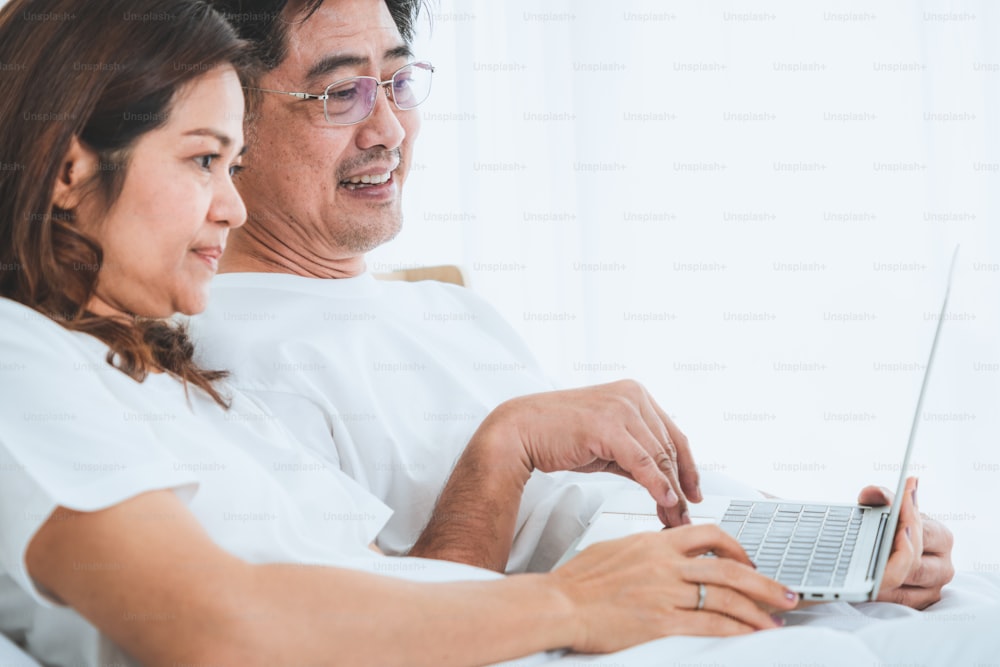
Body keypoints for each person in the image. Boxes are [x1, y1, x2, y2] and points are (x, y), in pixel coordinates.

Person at [0, 1, 805, 665]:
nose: (232, 206)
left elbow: (391, 585)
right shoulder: (19, 355)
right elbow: (215, 625)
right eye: (204, 160)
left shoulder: (167, 380)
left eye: (230, 161)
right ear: (71, 172)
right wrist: (574, 600)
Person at [188, 0, 955, 609]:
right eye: (342, 93)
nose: (387, 128)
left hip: (708, 580)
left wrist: (830, 538)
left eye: (396, 80)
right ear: (230, 123)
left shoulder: (445, 308)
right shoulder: (218, 351)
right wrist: (507, 445)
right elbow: (379, 626)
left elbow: (590, 502)